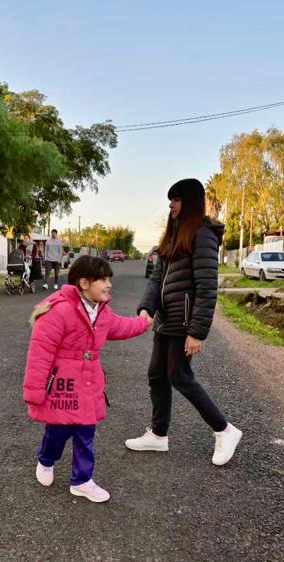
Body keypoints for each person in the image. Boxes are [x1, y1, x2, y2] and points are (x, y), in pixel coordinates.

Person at [125, 178, 242, 466]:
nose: (171, 204)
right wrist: (146, 308)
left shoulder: (202, 235)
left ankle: (224, 430)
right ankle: (158, 434)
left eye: (176, 199)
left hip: (184, 321)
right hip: (166, 321)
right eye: (170, 199)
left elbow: (206, 287)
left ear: (189, 202)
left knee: (179, 376)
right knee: (157, 374)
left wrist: (197, 332)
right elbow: (156, 279)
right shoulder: (172, 236)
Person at [23, 255, 152, 502]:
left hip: (90, 383)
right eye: (102, 279)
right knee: (58, 431)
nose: (108, 284)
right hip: (64, 386)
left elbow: (121, 327)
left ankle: (82, 480)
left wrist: (143, 323)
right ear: (83, 283)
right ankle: (46, 460)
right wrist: (35, 391)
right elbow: (40, 352)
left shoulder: (102, 312)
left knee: (86, 432)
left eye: (109, 279)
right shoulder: (59, 310)